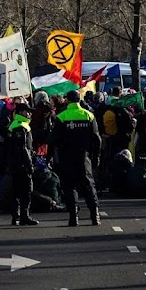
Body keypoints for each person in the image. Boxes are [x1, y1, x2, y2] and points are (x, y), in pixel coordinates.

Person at [53, 89, 102, 226]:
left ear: (67, 100)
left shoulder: (61, 116)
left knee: (69, 186)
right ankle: (95, 215)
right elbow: (96, 139)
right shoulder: (89, 115)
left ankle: (73, 217)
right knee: (88, 185)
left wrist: (52, 157)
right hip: (84, 156)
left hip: (67, 156)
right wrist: (96, 156)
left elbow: (55, 140)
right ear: (79, 100)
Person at [6, 99, 38, 226]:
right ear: (21, 112)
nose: (29, 114)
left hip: (14, 163)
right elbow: (23, 148)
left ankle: (16, 216)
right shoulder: (21, 125)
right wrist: (29, 163)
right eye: (27, 112)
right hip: (22, 164)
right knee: (26, 190)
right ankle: (24, 215)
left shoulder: (15, 124)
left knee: (16, 190)